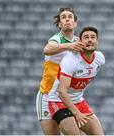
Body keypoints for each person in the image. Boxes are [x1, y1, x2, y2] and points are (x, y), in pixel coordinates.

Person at [36, 7, 85, 135]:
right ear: (59, 24)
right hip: (47, 95)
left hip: (66, 97)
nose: (67, 19)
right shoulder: (57, 39)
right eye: (63, 17)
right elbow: (47, 49)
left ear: (75, 23)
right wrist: (68, 46)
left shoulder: (78, 41)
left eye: (70, 17)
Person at [48, 26, 105, 135]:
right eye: (86, 37)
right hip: (58, 102)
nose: (89, 40)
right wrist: (77, 113)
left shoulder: (100, 59)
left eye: (93, 37)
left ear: (97, 41)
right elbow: (62, 92)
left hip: (78, 101)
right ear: (80, 41)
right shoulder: (71, 60)